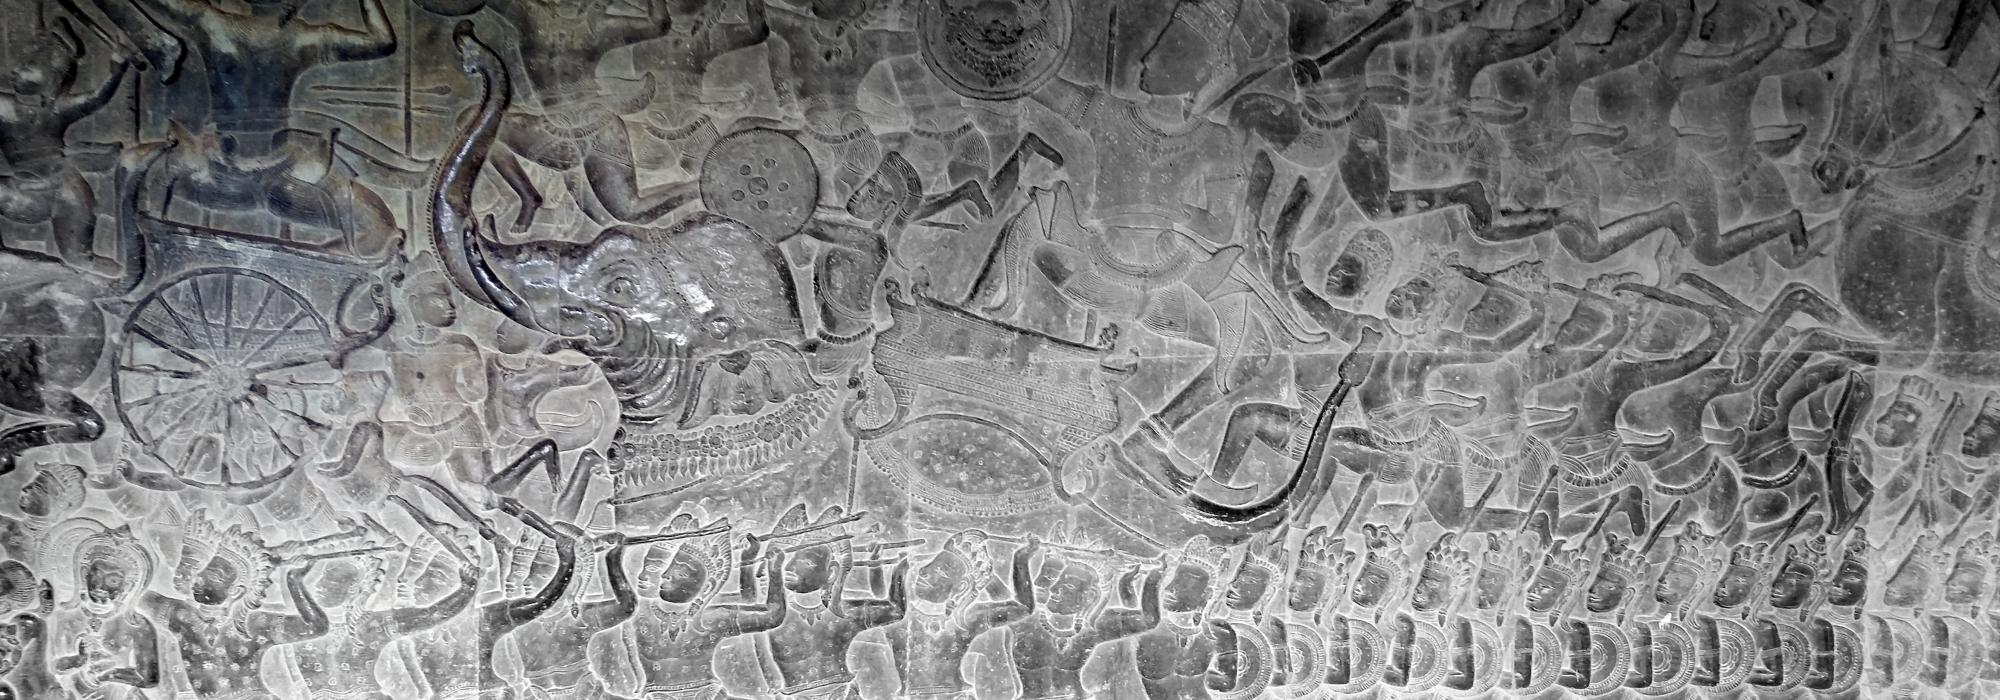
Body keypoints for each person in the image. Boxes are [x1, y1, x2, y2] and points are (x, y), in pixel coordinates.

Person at [0, 16, 129, 276]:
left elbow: (96, 99)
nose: (17, 70)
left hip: (64, 192)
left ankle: (117, 278)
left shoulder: (58, 109)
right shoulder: (4, 107)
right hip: (20, 189)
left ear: (52, 78)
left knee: (79, 259)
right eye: (21, 65)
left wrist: (116, 69)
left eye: (28, 67)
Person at [884, 531, 1035, 699]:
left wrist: (1021, 558)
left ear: (961, 587)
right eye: (929, 565)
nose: (924, 572)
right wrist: (901, 567)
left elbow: (1022, 608)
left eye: (941, 571)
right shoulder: (900, 615)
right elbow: (894, 604)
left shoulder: (967, 620)